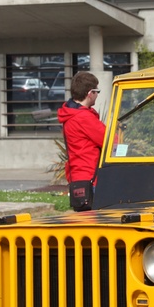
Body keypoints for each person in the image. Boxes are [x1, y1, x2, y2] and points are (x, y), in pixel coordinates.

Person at [57, 71, 106, 210]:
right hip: (91, 179)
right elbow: (110, 140)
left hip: (78, 178)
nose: (97, 95)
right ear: (90, 93)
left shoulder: (70, 114)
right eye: (97, 91)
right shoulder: (83, 117)